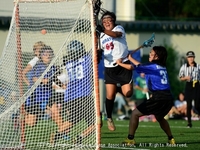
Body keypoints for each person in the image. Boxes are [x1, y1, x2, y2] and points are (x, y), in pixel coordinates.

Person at [119, 46, 175, 145]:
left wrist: (122, 61)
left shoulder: (152, 66)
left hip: (159, 97)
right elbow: (141, 65)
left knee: (134, 113)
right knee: (159, 117)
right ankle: (171, 139)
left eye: (151, 53)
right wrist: (130, 58)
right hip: (168, 97)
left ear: (157, 57)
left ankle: (130, 139)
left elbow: (136, 67)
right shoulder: (161, 66)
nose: (149, 54)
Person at [49, 40, 96, 145]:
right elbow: (95, 50)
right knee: (97, 123)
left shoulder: (68, 63)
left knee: (71, 121)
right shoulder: (87, 59)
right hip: (84, 96)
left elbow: (53, 76)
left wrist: (62, 85)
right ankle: (80, 137)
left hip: (69, 97)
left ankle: (58, 134)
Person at [96, 10, 133, 131]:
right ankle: (109, 117)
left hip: (122, 65)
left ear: (114, 21)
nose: (106, 22)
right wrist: (98, 53)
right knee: (110, 95)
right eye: (104, 21)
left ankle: (117, 88)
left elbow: (115, 35)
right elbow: (99, 49)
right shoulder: (101, 36)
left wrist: (103, 30)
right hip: (110, 67)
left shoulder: (119, 28)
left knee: (128, 93)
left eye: (109, 20)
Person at [24, 45, 56, 127]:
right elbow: (34, 79)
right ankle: (21, 116)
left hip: (47, 97)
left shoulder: (53, 67)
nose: (48, 55)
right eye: (45, 54)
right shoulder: (37, 66)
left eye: (49, 54)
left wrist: (61, 85)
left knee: (55, 113)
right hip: (35, 97)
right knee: (32, 123)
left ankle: (60, 133)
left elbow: (56, 81)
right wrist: (43, 80)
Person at [179, 51, 200, 128]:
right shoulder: (184, 67)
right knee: (189, 105)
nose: (191, 58)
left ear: (194, 57)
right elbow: (180, 77)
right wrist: (186, 78)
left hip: (197, 84)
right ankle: (189, 122)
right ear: (187, 58)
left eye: (192, 57)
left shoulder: (198, 66)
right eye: (189, 57)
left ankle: (197, 114)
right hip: (189, 85)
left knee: (197, 104)